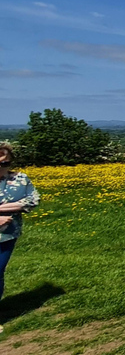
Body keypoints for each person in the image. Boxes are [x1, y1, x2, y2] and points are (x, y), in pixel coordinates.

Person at [0, 143, 40, 334]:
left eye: (5, 162)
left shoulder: (20, 178)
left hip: (7, 235)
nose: (2, 167)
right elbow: (21, 204)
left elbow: (32, 201)